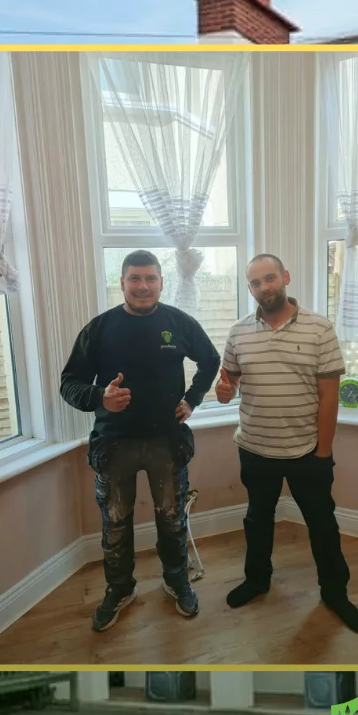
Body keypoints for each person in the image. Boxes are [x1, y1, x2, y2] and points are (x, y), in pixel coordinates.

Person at [60, 249, 221, 632]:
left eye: (150, 278)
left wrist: (193, 399)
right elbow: (69, 384)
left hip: (167, 441)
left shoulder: (179, 323)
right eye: (135, 278)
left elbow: (211, 360)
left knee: (171, 518)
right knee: (115, 523)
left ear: (162, 282)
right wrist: (101, 396)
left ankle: (176, 580)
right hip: (115, 444)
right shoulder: (98, 330)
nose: (143, 286)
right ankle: (120, 589)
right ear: (122, 282)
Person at [215, 252, 358, 633]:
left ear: (285, 276)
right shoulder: (238, 332)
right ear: (249, 288)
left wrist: (323, 452)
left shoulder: (320, 329)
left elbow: (329, 396)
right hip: (255, 448)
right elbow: (226, 388)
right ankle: (256, 581)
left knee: (322, 526)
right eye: (254, 282)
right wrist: (221, 390)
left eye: (269, 278)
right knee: (257, 521)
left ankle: (335, 594)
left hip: (307, 452)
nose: (263, 287)